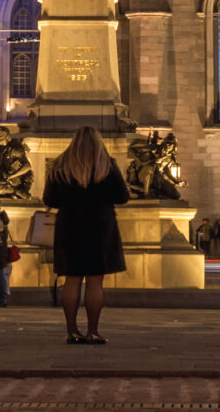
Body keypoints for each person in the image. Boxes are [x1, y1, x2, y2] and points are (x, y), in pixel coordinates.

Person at [43, 123, 130, 344]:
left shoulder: (61, 165)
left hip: (70, 226)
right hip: (99, 227)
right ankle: (93, 330)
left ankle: (71, 330)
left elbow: (49, 199)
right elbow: (122, 196)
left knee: (71, 280)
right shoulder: (106, 165)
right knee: (95, 282)